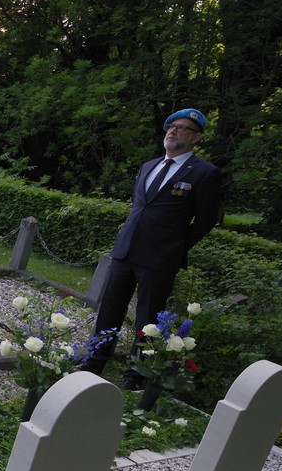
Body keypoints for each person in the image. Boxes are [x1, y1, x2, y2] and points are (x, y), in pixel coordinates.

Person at [79, 107, 223, 387]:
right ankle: (94, 361)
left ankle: (136, 375)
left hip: (160, 257)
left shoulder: (204, 173)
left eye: (182, 128)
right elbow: (141, 207)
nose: (173, 131)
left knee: (148, 320)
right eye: (171, 126)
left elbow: (206, 220)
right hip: (126, 250)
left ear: (196, 138)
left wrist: (176, 246)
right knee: (110, 309)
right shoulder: (149, 165)